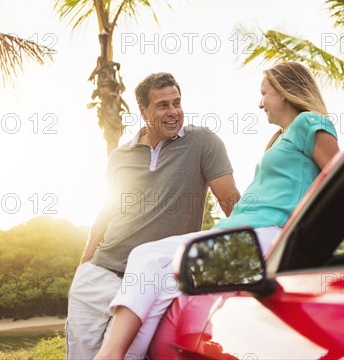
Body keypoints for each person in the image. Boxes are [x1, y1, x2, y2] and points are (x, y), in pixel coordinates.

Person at [94, 62, 342, 360]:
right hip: (240, 235)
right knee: (156, 283)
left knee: (146, 257)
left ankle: (108, 355)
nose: (260, 102)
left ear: (285, 93)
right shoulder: (280, 138)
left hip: (262, 238)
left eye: (264, 93)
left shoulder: (309, 123)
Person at [66, 72, 240, 359]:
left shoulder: (203, 143)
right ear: (143, 111)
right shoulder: (121, 156)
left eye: (177, 103)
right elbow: (107, 211)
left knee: (121, 355)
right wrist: (84, 265)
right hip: (100, 272)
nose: (173, 112)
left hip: (150, 280)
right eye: (162, 106)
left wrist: (259, 248)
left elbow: (230, 201)